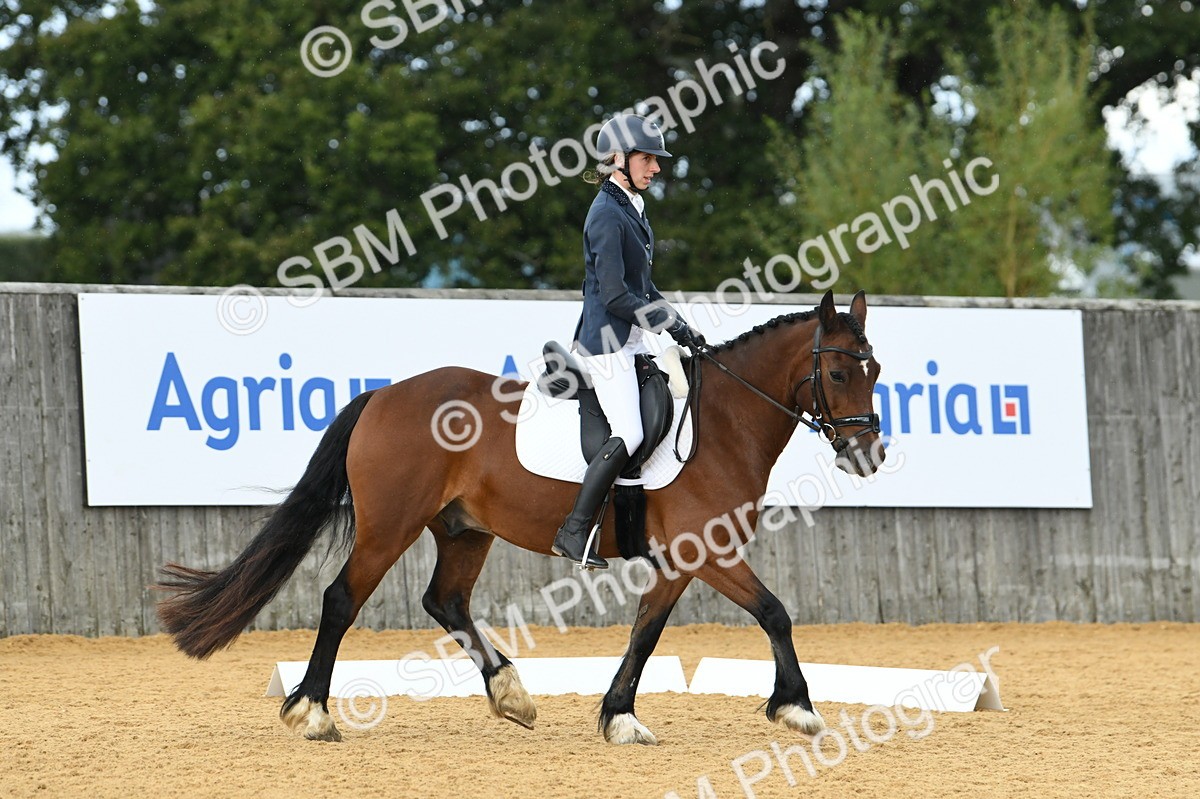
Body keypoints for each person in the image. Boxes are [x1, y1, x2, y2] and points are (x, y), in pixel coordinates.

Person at [551, 113, 707, 570]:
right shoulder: (605, 213)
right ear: (618, 159)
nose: (656, 168)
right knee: (632, 431)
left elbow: (644, 287)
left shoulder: (630, 208)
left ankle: (638, 529)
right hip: (606, 341)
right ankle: (574, 530)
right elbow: (616, 295)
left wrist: (679, 324)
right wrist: (665, 323)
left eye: (656, 160)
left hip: (633, 338)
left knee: (666, 410)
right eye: (647, 159)